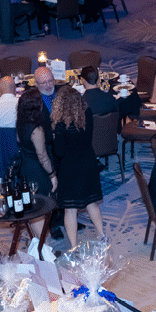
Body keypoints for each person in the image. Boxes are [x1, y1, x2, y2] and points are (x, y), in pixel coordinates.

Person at [52, 86, 104, 248]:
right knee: (91, 203)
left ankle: (74, 246)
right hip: (88, 163)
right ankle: (102, 236)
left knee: (70, 209)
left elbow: (59, 152)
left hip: (70, 169)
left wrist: (55, 137)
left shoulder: (60, 125)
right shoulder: (87, 114)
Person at [14, 89, 55, 237]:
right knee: (41, 210)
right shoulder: (36, 130)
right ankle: (43, 247)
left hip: (25, 169)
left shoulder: (20, 122)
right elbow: (43, 157)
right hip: (37, 172)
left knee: (32, 207)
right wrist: (52, 175)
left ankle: (38, 244)